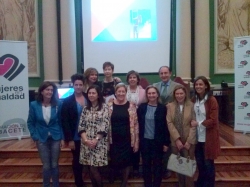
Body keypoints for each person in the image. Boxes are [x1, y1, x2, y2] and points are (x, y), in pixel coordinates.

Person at [27, 81, 63, 187]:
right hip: (41, 138)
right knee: (46, 165)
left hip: (55, 137)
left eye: (52, 90)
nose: (50, 92)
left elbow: (61, 121)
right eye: (47, 89)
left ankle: (56, 185)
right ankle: (46, 185)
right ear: (42, 91)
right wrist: (34, 136)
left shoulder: (58, 104)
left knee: (55, 164)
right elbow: (30, 122)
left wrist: (62, 137)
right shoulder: (34, 105)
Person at [137, 85, 170, 187]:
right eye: (149, 93)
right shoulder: (142, 107)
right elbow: (137, 124)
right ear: (147, 95)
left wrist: (166, 143)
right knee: (146, 165)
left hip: (158, 142)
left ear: (157, 95)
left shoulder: (163, 108)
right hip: (145, 141)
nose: (151, 95)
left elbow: (166, 126)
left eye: (153, 93)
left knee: (157, 166)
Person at [191, 76, 220, 187]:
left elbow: (213, 120)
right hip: (197, 137)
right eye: (196, 84)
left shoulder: (212, 100)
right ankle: (200, 183)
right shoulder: (194, 99)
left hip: (208, 137)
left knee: (208, 164)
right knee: (200, 164)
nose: (198, 86)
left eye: (201, 84)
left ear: (206, 86)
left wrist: (198, 123)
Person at [78, 85, 110, 187]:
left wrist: (96, 140)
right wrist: (86, 140)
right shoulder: (85, 108)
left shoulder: (105, 107)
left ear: (98, 95)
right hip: (86, 143)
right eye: (89, 93)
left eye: (93, 93)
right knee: (89, 167)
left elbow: (105, 125)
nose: (91, 95)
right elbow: (81, 126)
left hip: (99, 143)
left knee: (94, 168)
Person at [108, 83, 139, 187]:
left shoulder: (132, 105)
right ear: (115, 93)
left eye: (123, 91)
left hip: (127, 139)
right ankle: (114, 176)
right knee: (114, 159)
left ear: (126, 92)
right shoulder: (109, 105)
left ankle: (124, 182)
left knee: (126, 162)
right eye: (119, 91)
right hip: (113, 139)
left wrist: (136, 142)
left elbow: (135, 125)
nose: (121, 93)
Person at [167, 85, 196, 187]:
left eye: (181, 93)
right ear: (174, 95)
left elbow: (194, 125)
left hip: (189, 142)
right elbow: (169, 123)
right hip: (176, 142)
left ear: (185, 94)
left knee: (188, 169)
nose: (179, 96)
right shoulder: (170, 106)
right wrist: (177, 140)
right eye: (177, 94)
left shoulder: (191, 105)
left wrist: (189, 141)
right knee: (178, 167)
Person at [153, 66, 180, 178]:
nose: (164, 75)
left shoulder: (178, 86)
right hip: (158, 119)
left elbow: (182, 101)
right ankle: (159, 167)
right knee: (160, 142)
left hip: (173, 119)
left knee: (171, 144)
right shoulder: (155, 86)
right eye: (161, 73)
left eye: (166, 73)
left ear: (170, 73)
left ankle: (170, 168)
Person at [61, 74, 87, 187]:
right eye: (76, 84)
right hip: (75, 135)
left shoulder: (89, 97)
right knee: (77, 159)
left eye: (80, 84)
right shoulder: (67, 101)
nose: (78, 87)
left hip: (89, 135)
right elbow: (65, 121)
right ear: (73, 85)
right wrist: (69, 139)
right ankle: (79, 182)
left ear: (83, 85)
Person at [126, 70, 146, 177]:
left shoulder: (143, 91)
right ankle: (127, 167)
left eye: (134, 77)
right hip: (126, 121)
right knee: (128, 144)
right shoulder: (123, 90)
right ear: (128, 79)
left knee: (137, 143)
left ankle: (136, 167)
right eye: (130, 77)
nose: (132, 79)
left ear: (138, 79)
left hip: (140, 121)